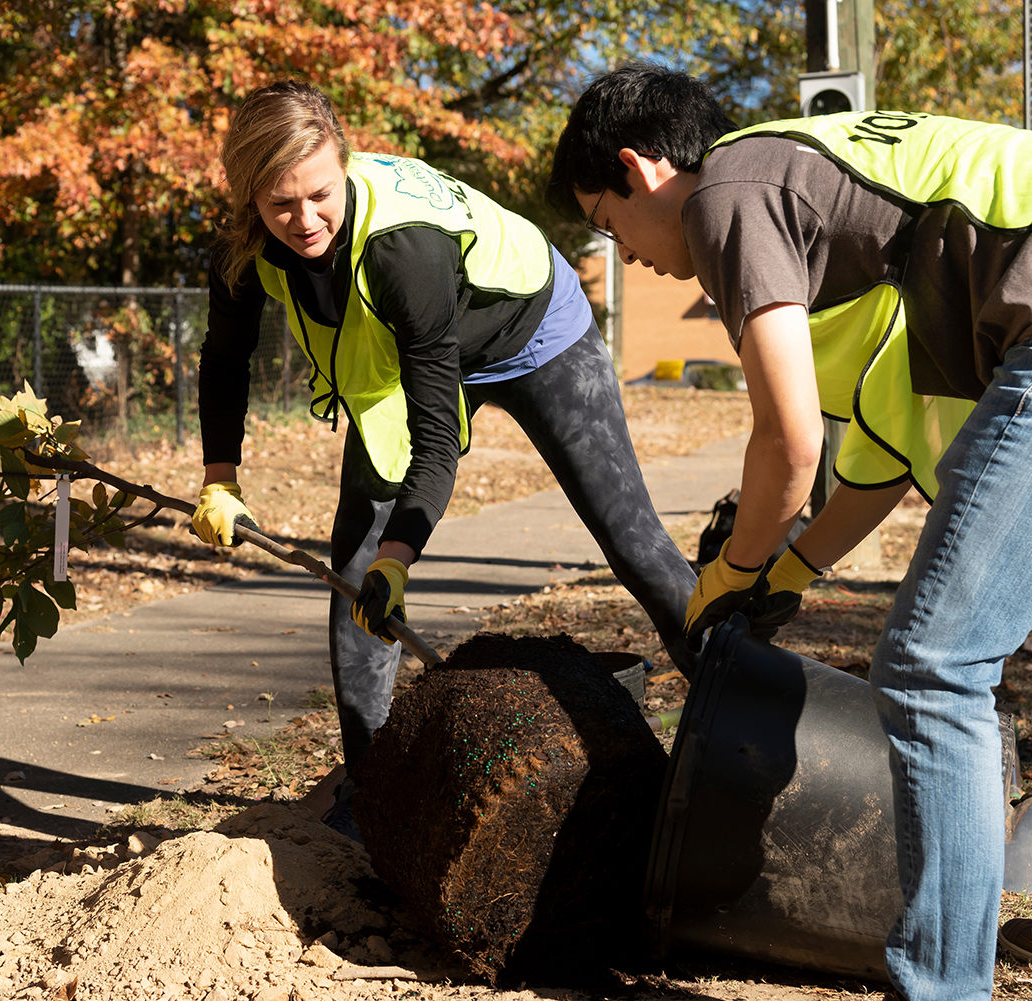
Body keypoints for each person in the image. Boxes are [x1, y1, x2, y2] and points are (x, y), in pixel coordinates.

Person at [547, 63, 1032, 1001]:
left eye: (609, 227)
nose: (628, 255)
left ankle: (940, 987)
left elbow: (790, 440)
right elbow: (884, 462)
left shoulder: (729, 192)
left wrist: (734, 569)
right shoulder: (824, 185)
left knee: (934, 665)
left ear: (639, 166)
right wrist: (793, 570)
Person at [193, 81, 699, 832]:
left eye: (321, 195)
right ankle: (370, 795)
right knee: (354, 568)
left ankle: (738, 720)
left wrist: (404, 556)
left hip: (533, 330)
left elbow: (436, 439)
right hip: (406, 354)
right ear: (250, 200)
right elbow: (224, 358)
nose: (305, 220)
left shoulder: (405, 249)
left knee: (632, 541)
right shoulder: (244, 251)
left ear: (345, 158)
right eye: (281, 205)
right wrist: (220, 478)